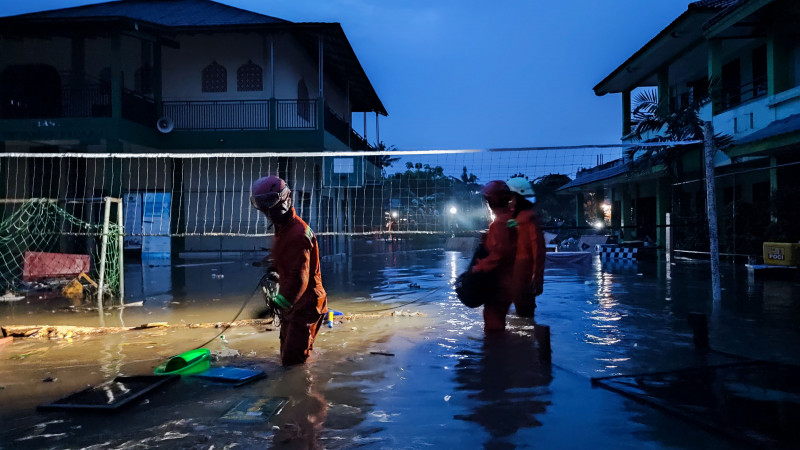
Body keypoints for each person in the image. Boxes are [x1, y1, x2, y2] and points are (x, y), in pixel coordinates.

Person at [251, 175, 328, 366]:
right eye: (263, 205)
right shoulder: (283, 228)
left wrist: (275, 305)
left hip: (306, 306)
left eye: (271, 203)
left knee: (294, 363)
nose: (268, 211)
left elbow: (299, 279)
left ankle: (302, 393)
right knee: (287, 353)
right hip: (292, 305)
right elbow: (288, 262)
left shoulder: (298, 234)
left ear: (286, 198)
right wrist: (275, 269)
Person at [471, 180, 518, 333]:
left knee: (493, 328)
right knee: (498, 322)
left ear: (491, 201)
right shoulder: (511, 220)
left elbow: (499, 255)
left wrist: (478, 267)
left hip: (499, 284)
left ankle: (496, 355)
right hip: (510, 282)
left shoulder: (499, 224)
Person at [506, 176, 546, 318]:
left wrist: (537, 277)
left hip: (523, 276)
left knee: (524, 314)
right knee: (523, 314)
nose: (508, 202)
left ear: (518, 198)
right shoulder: (516, 219)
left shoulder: (528, 219)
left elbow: (538, 250)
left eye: (510, 198)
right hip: (517, 276)